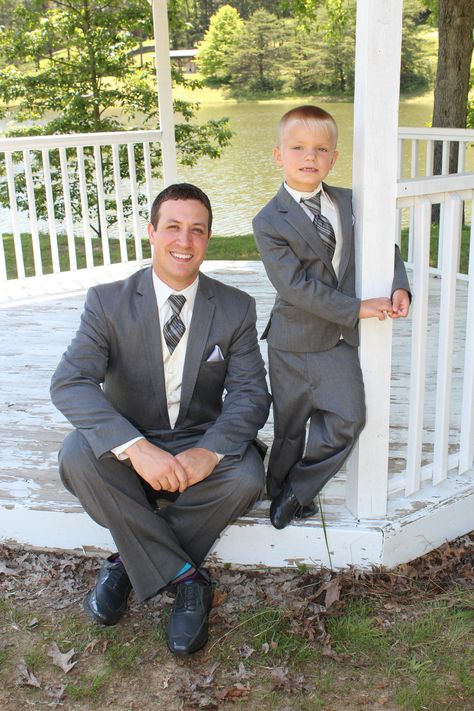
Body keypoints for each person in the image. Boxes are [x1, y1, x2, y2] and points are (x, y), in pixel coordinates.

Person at [51, 182, 271, 655]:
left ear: (208, 238)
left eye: (197, 230)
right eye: (172, 227)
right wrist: (135, 448)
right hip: (130, 441)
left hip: (198, 436)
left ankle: (127, 563)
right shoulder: (107, 302)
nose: (184, 241)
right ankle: (187, 579)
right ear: (151, 232)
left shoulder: (235, 307)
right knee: (76, 455)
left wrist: (209, 452)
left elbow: (252, 393)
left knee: (247, 475)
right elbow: (70, 383)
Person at [252, 105, 410, 530]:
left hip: (339, 338)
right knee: (289, 427)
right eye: (298, 147)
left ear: (334, 157)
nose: (310, 157)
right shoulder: (269, 220)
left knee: (347, 419)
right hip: (291, 339)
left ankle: (298, 492)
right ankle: (277, 487)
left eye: (321, 149)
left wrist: (398, 283)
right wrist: (358, 307)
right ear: (278, 155)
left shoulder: (349, 201)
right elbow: (294, 287)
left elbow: (384, 248)